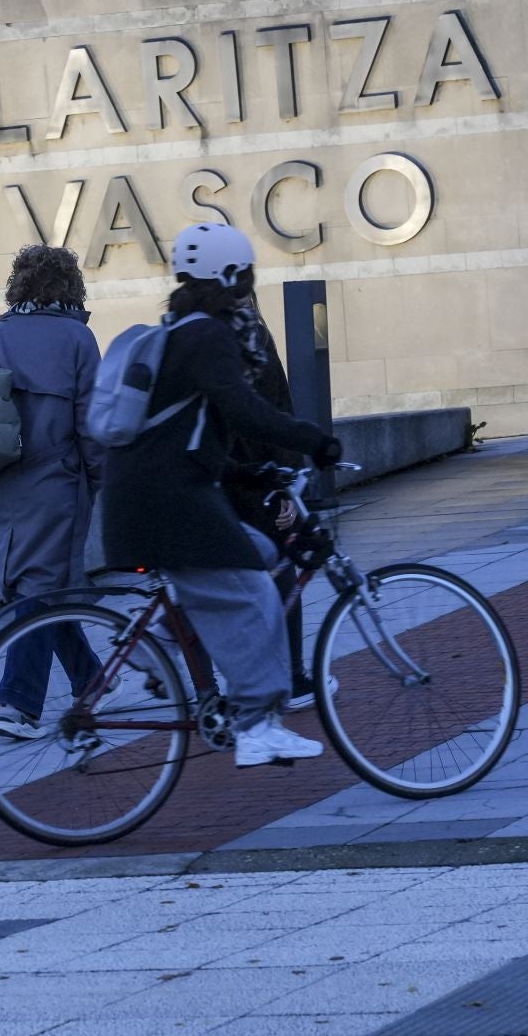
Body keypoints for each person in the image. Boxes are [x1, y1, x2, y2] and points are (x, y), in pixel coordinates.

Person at [100, 223, 343, 768]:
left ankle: (154, 640)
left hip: (150, 495)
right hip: (170, 502)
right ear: (231, 276)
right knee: (255, 594)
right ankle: (257, 725)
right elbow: (242, 408)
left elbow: (189, 433)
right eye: (248, 274)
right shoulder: (208, 335)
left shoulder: (183, 329)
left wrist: (249, 471)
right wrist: (313, 440)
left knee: (264, 555)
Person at [0, 246, 108, 740]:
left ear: (18, 283)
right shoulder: (79, 338)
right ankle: (18, 705)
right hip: (57, 481)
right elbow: (92, 423)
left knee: (34, 587)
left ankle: (92, 680)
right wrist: (98, 478)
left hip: (1, 479)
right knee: (42, 588)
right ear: (70, 286)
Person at [220, 293, 332, 711]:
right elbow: (268, 412)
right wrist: (283, 481)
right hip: (245, 479)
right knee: (282, 567)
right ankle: (290, 677)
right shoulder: (248, 337)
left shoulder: (198, 334)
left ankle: (226, 688)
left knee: (233, 582)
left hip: (223, 477)